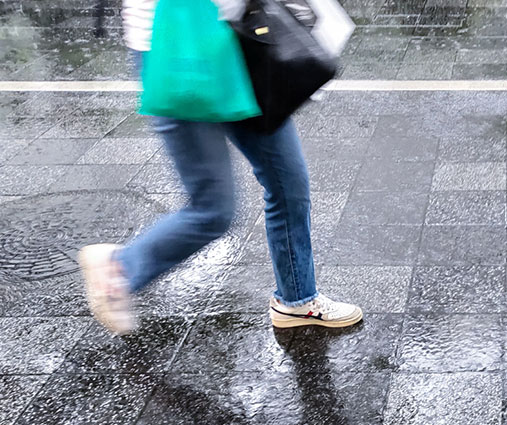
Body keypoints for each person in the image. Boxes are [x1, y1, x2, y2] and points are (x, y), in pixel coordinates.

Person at [78, 0, 362, 334]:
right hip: (177, 50)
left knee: (289, 181)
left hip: (241, 41)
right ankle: (118, 270)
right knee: (211, 210)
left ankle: (297, 300)